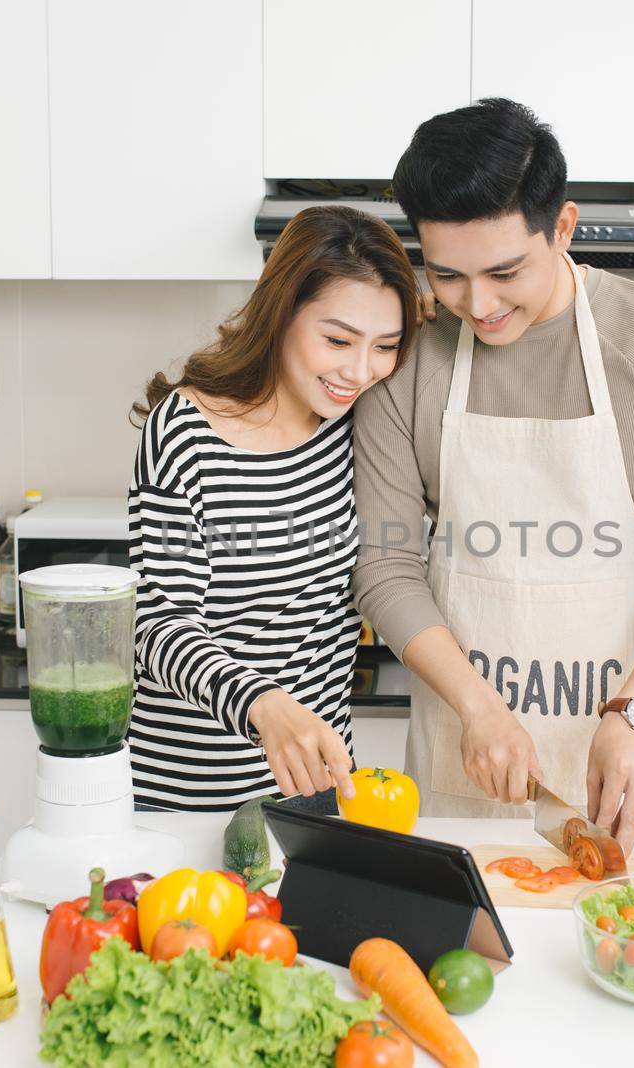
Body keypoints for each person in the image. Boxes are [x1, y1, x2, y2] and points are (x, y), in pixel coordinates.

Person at [353, 99, 634, 851]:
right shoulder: (410, 357)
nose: (480, 305)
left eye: (505, 272)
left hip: (623, 758)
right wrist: (477, 707)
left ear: (562, 228)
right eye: (449, 277)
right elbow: (386, 564)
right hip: (460, 764)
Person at [126, 205, 421, 811]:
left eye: (385, 345)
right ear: (282, 313)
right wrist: (264, 705)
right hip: (183, 798)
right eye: (337, 339)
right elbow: (158, 627)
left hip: (317, 800)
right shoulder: (185, 431)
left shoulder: (355, 425)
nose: (359, 370)